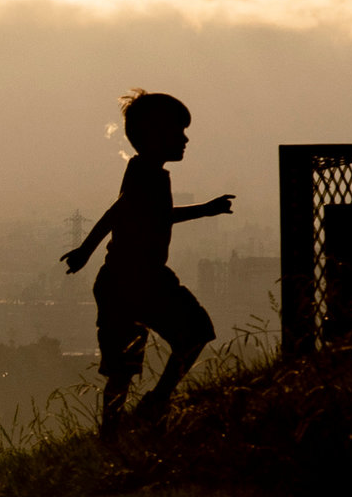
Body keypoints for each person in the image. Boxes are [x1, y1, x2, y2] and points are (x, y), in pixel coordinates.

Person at [61, 90, 234, 438]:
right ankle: (151, 406)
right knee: (190, 334)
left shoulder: (145, 171)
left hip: (130, 279)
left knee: (125, 367)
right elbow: (132, 213)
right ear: (156, 134)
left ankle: (120, 426)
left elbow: (136, 213)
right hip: (136, 279)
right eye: (178, 131)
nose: (185, 139)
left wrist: (86, 250)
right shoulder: (147, 173)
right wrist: (85, 249)